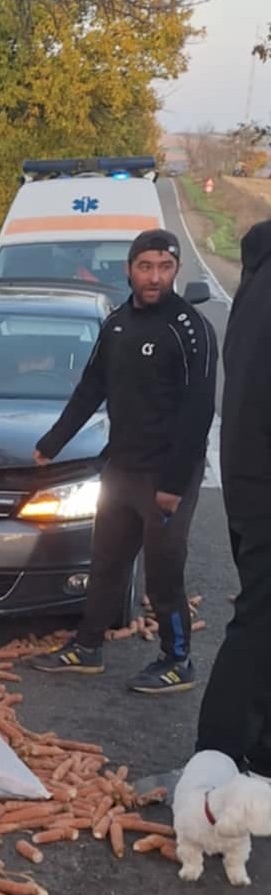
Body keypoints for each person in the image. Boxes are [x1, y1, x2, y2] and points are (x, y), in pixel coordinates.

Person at [28, 229, 218, 694]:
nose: (155, 277)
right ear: (129, 269)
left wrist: (173, 484)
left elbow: (198, 411)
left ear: (176, 270)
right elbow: (92, 386)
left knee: (163, 574)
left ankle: (178, 660)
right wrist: (52, 443)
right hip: (121, 468)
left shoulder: (190, 328)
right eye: (145, 267)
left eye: (165, 267)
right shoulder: (117, 323)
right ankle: (87, 648)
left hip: (166, 474)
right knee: (106, 563)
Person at [196, 219, 271, 776]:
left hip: (248, 476)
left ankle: (257, 753)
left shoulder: (257, 279)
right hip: (263, 481)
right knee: (259, 620)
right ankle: (215, 758)